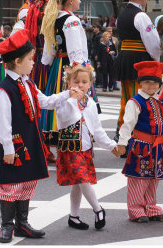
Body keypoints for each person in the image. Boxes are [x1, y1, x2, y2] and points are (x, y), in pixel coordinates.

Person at [0, 29, 82, 243]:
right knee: (11, 185)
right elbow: (3, 123)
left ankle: (22, 223)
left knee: (27, 182)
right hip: (15, 143)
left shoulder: (27, 83)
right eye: (30, 59)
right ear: (17, 61)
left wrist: (68, 93)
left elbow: (45, 101)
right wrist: (8, 149)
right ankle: (6, 225)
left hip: (30, 139)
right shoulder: (5, 89)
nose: (34, 62)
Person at [55, 63, 118, 230]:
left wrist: (111, 145)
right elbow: (63, 118)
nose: (80, 85)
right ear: (68, 83)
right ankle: (98, 209)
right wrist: (71, 100)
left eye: (84, 81)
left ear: (90, 84)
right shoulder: (64, 101)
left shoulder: (90, 103)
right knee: (82, 178)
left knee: (78, 183)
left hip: (85, 148)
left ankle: (73, 216)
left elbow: (97, 129)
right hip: (70, 148)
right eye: (76, 81)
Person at [117, 61, 163, 223]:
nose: (151, 86)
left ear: (159, 84)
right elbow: (128, 123)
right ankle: (136, 210)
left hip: (157, 148)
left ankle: (151, 208)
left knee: (153, 179)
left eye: (154, 82)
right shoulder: (135, 101)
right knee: (139, 180)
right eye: (147, 82)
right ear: (141, 83)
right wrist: (122, 142)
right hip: (141, 147)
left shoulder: (159, 100)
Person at [40, 0, 95, 148]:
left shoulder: (53, 18)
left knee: (60, 101)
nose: (79, 2)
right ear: (70, 0)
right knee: (73, 102)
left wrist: (50, 66)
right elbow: (76, 52)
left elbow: (47, 53)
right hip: (70, 67)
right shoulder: (71, 20)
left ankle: (58, 136)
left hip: (58, 65)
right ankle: (72, 140)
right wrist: (82, 73)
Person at [113, 0, 161, 144]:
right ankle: (137, 137)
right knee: (140, 99)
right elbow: (153, 43)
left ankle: (122, 135)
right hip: (139, 61)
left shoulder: (121, 15)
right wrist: (156, 61)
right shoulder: (141, 16)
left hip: (125, 59)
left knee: (126, 99)